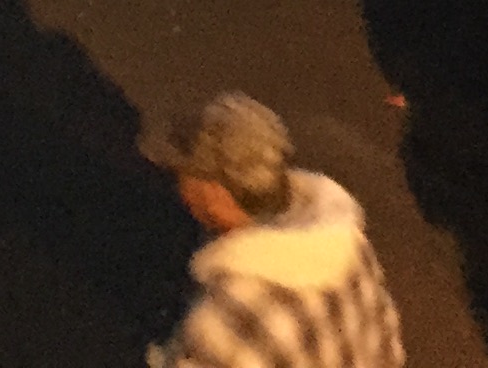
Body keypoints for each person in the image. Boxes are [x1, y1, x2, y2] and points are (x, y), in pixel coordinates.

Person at [138, 91, 404, 368]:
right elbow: (387, 341)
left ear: (213, 193)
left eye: (182, 173)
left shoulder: (228, 316)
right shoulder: (349, 243)